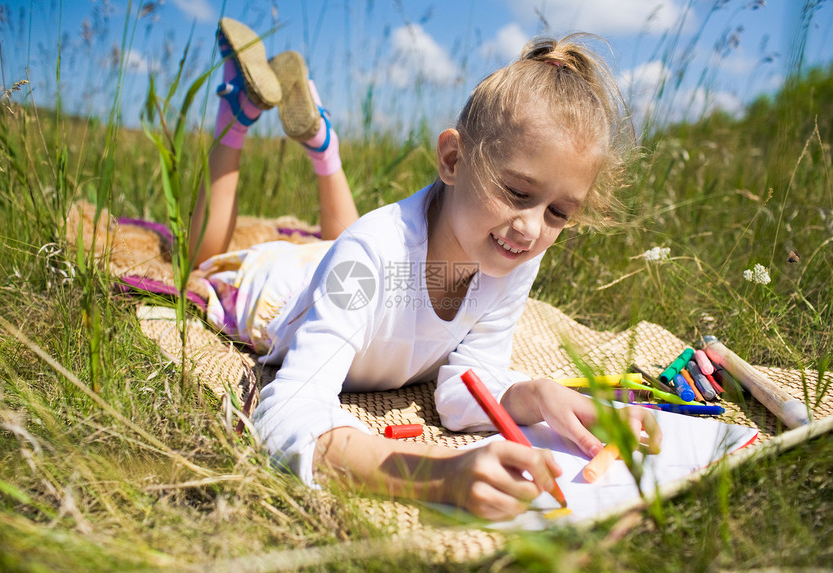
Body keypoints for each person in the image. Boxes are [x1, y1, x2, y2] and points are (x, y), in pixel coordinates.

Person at [190, 17, 661, 521]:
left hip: (348, 267)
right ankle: (236, 113)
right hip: (273, 291)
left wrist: (536, 396)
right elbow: (285, 415)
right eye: (517, 193)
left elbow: (464, 388)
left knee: (345, 247)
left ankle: (324, 145)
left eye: (558, 213)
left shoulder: (511, 255)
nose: (530, 229)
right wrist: (437, 472)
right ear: (453, 159)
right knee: (203, 258)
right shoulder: (370, 255)